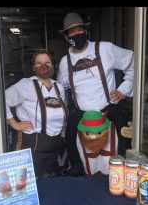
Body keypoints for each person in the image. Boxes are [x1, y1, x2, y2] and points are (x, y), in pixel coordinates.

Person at [57, 12, 134, 176]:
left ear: (85, 31)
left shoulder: (105, 48)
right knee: (73, 146)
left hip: (109, 111)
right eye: (72, 32)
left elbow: (134, 61)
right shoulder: (65, 62)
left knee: (123, 144)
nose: (77, 34)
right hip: (82, 116)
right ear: (66, 37)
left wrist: (124, 90)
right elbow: (60, 90)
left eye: (79, 30)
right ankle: (78, 170)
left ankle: (122, 173)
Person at [5, 50, 68, 178]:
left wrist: (63, 130)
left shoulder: (58, 87)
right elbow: (1, 100)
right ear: (33, 67)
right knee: (24, 184)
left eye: (47, 62)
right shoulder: (25, 85)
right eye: (39, 63)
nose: (43, 66)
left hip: (54, 144)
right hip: (31, 143)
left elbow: (61, 111)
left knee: (47, 182)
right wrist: (14, 124)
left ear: (53, 66)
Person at [77, 110, 118, 175]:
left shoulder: (113, 129)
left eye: (98, 132)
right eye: (88, 133)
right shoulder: (79, 134)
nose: (93, 137)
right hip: (90, 178)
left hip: (112, 177)